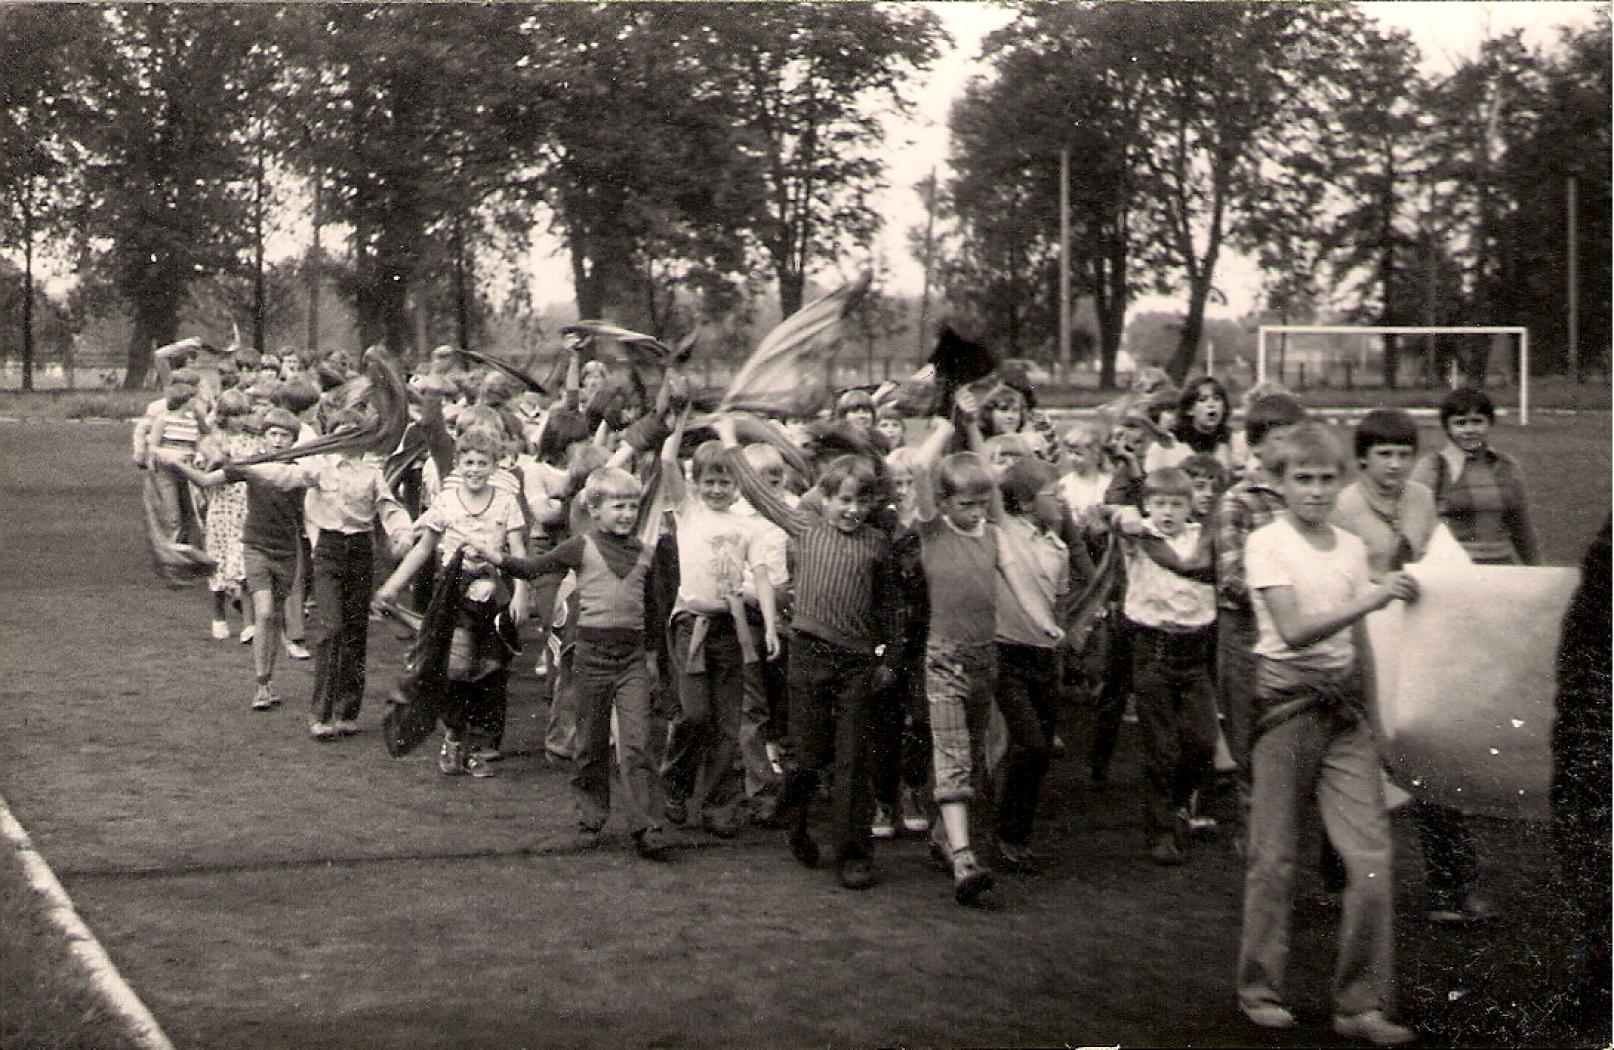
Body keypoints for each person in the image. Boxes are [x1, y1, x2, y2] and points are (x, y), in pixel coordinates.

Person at [1235, 421, 1418, 1047]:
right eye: (1301, 480)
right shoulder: (1265, 543)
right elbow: (1292, 630)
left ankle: (1360, 1005)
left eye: (1325, 480)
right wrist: (1372, 599)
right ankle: (1260, 988)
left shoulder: (1347, 547)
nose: (1314, 491)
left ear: (1342, 482)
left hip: (1343, 717)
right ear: (1280, 484)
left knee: (1370, 860)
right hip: (1284, 711)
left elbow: (1357, 641)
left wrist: (1377, 714)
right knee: (1275, 859)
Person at [718, 418, 900, 892]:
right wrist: (732, 442)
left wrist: (888, 660)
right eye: (844, 500)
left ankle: (854, 855)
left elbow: (888, 609)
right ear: (825, 498)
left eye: (862, 501)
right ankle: (795, 822)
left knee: (854, 758)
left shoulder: (878, 544)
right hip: (810, 658)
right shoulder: (807, 527)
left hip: (858, 663)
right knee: (808, 757)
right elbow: (760, 494)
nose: (853, 510)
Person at [1331, 408, 1494, 925]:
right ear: (1362, 459)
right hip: (1362, 642)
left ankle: (1451, 886)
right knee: (1354, 759)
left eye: (1404, 454)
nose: (1396, 465)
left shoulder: (1422, 499)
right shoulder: (1344, 507)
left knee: (1430, 752)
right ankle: (1339, 876)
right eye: (1384, 454)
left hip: (1416, 640)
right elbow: (1338, 579)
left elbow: (1436, 557)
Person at [477, 467, 668, 858]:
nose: (627, 514)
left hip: (630, 661)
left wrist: (652, 659)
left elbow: (654, 611)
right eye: (618, 506)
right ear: (594, 510)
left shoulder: (647, 554)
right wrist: (495, 556)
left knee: (636, 745)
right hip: (591, 659)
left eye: (633, 507)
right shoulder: (581, 546)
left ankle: (646, 826)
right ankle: (591, 816)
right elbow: (534, 568)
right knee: (590, 743)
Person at [232, 407, 415, 740]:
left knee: (356, 632)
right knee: (330, 629)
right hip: (328, 551)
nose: (347, 440)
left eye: (354, 433)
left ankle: (347, 712)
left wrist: (402, 533)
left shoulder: (371, 472)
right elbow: (285, 476)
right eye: (340, 432)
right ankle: (321, 713)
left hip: (361, 552)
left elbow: (390, 507)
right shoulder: (319, 467)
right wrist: (249, 468)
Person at [374, 426, 528, 774]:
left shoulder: (505, 503)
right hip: (453, 594)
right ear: (458, 464)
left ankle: (481, 747)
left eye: (482, 462)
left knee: (490, 671)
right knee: (456, 669)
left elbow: (518, 552)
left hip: (493, 595)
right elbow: (424, 548)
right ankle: (455, 736)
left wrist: (521, 593)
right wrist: (393, 585)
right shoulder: (446, 502)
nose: (475, 469)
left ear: (495, 466)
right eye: (468, 462)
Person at [656, 432, 779, 839]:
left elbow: (760, 575)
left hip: (732, 628)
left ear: (738, 485)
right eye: (708, 481)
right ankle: (675, 782)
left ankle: (717, 803)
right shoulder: (688, 511)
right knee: (695, 714)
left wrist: (771, 625)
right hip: (692, 624)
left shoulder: (748, 526)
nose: (716, 489)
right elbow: (667, 460)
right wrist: (680, 419)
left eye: (725, 482)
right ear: (695, 483)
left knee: (728, 723)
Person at [153, 408, 306, 711]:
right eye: (272, 433)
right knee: (263, 614)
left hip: (287, 551)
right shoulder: (250, 466)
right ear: (264, 437)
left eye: (284, 435)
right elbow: (207, 480)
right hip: (255, 546)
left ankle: (268, 680)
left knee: (273, 616)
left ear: (294, 440)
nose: (277, 440)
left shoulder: (302, 471)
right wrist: (177, 465)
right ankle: (261, 685)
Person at [1110, 467, 1218, 866]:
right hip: (1153, 648)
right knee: (1161, 746)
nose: (1167, 512)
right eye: (1159, 504)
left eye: (1176, 504)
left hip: (1195, 651)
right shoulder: (1140, 539)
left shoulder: (1200, 540)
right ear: (1147, 505)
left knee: (1203, 740)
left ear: (1190, 506)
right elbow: (1113, 515)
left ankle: (1176, 805)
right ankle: (1160, 830)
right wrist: (1130, 518)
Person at [1212, 392, 1307, 828]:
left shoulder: (1306, 492)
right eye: (1284, 439)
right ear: (1256, 447)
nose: (1294, 448)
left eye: (1298, 438)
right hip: (1248, 637)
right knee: (1250, 733)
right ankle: (1255, 837)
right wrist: (1288, 591)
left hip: (1301, 634)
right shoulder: (1240, 501)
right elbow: (1232, 579)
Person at [991, 457, 1072, 871]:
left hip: (1043, 659)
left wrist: (1060, 646)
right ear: (1024, 503)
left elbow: (1059, 605)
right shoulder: (1005, 533)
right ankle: (1004, 835)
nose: (1061, 500)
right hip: (1006, 655)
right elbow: (991, 487)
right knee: (1031, 745)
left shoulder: (1058, 548)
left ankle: (1014, 835)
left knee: (1038, 753)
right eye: (1053, 494)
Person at [1409, 387, 1539, 566]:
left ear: (1489, 423)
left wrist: (1536, 570)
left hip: (1501, 567)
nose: (1470, 430)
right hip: (1451, 566)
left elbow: (1522, 528)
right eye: (1460, 423)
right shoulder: (1433, 467)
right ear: (1447, 427)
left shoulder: (1508, 466)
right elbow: (1412, 524)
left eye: (1477, 422)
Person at [197, 390, 260, 642]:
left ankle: (248, 623)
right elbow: (202, 472)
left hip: (246, 506)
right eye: (234, 415)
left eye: (244, 414)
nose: (240, 420)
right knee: (218, 562)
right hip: (221, 508)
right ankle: (218, 617)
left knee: (243, 564)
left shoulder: (253, 441)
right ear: (223, 416)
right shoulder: (214, 440)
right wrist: (216, 459)